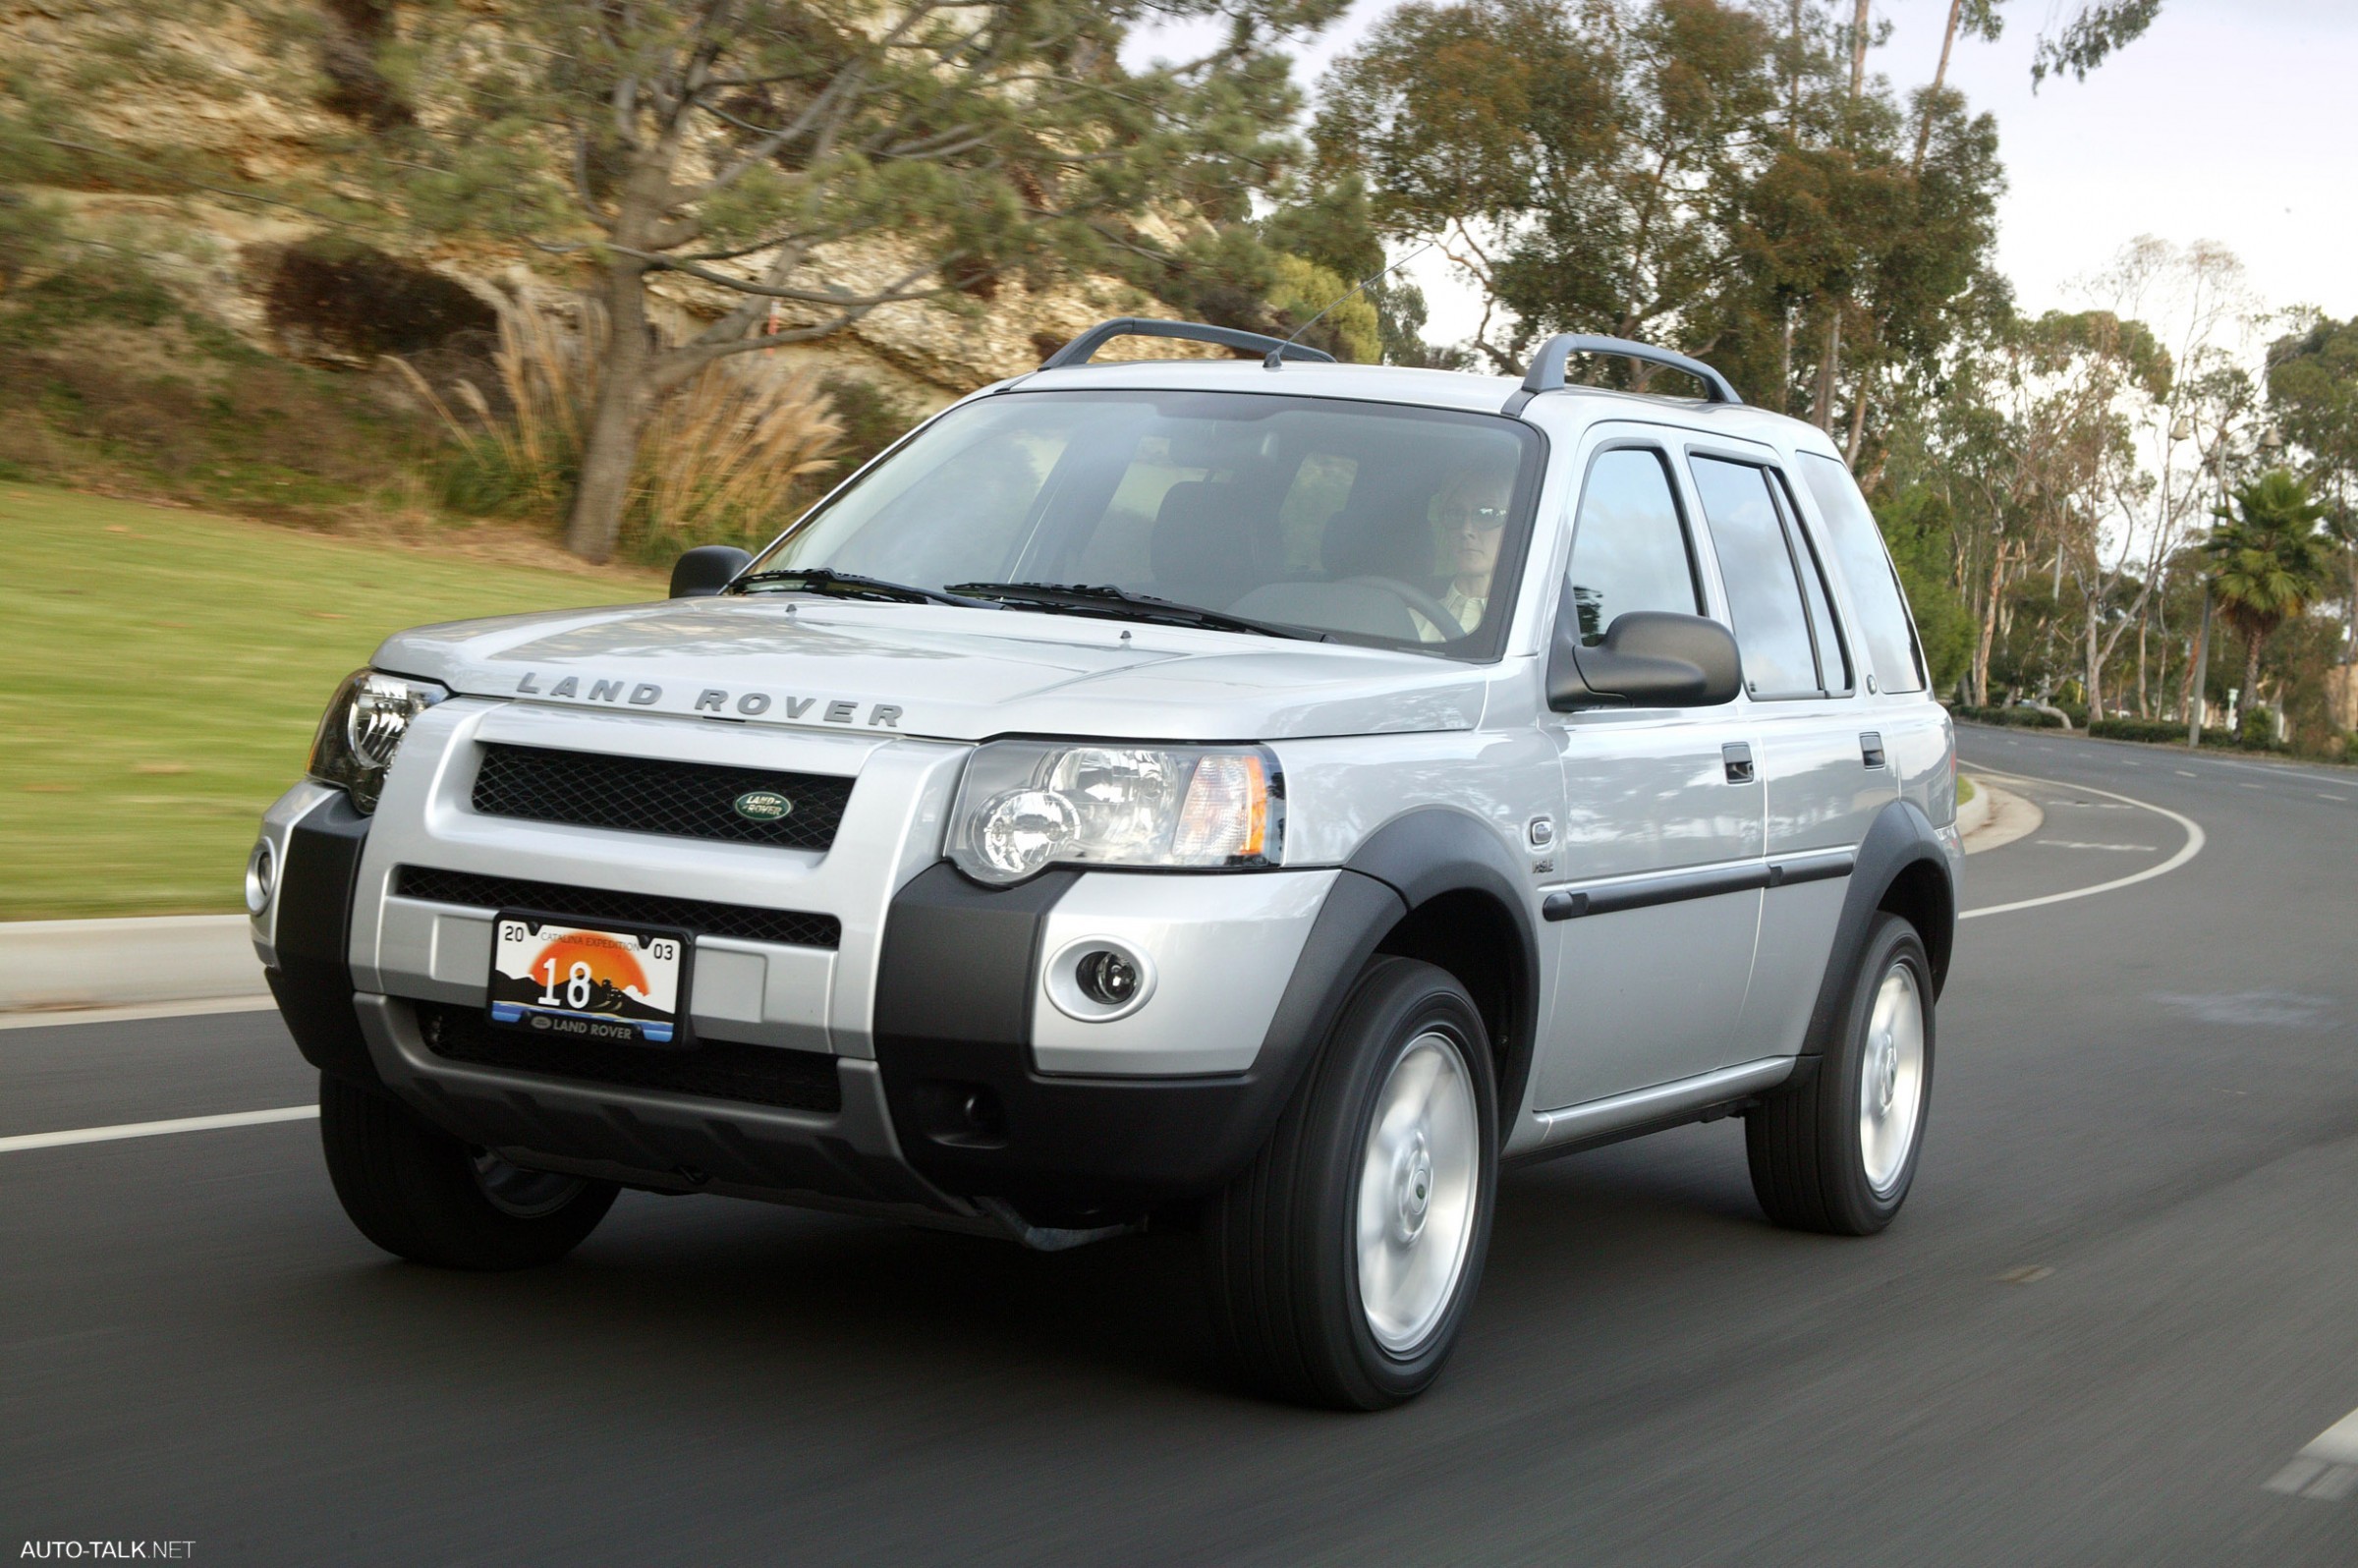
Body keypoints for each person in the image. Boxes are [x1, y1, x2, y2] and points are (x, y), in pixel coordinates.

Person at [1414, 468, 1512, 640]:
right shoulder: (1407, 620)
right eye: (1455, 514)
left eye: (1486, 514)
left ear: (1515, 524)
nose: (1466, 529)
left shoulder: (1531, 625)